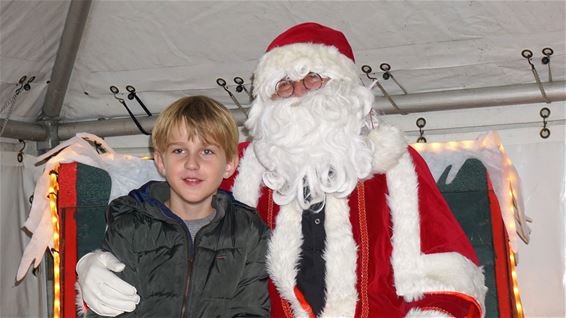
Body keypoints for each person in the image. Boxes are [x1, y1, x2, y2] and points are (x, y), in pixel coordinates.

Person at [78, 23, 487, 317]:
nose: (297, 93)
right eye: (284, 85)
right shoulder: (247, 165)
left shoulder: (394, 165)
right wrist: (93, 265)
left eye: (312, 79)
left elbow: (448, 266)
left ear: (344, 88)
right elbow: (168, 197)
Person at [76, 96, 270, 317]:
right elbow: (112, 309)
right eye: (179, 150)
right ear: (160, 161)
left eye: (207, 151)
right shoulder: (131, 226)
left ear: (229, 164)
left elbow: (250, 310)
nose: (192, 163)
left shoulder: (248, 231)